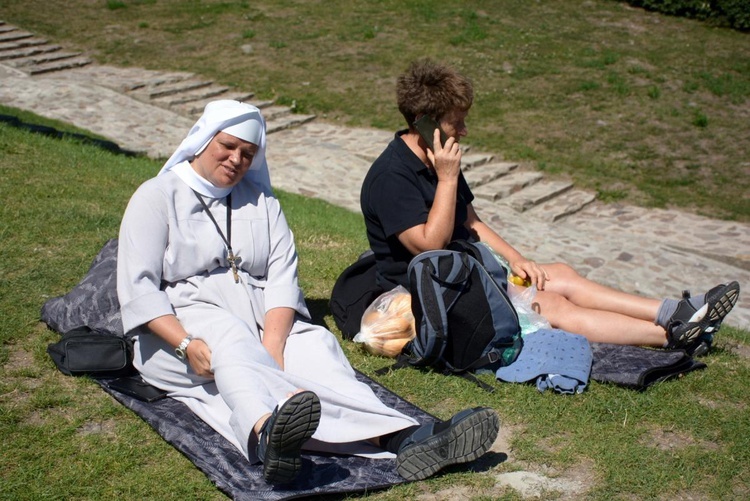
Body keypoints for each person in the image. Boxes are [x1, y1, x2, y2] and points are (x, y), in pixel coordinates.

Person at [116, 100, 500, 485]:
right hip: (182, 320)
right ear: (203, 139)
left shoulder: (261, 201)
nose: (237, 159)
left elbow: (282, 276)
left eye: (248, 154)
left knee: (316, 347)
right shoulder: (157, 196)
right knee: (232, 346)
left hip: (260, 312)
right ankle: (267, 434)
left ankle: (404, 436)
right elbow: (139, 287)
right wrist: (185, 344)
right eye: (228, 146)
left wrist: (274, 342)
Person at [360, 59, 740, 355]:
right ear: (426, 124)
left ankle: (674, 311)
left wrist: (517, 258)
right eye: (456, 123)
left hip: (465, 270)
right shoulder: (392, 177)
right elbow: (431, 247)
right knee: (551, 303)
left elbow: (470, 220)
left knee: (556, 274)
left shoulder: (438, 156)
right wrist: (446, 178)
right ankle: (673, 337)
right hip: (424, 294)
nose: (464, 131)